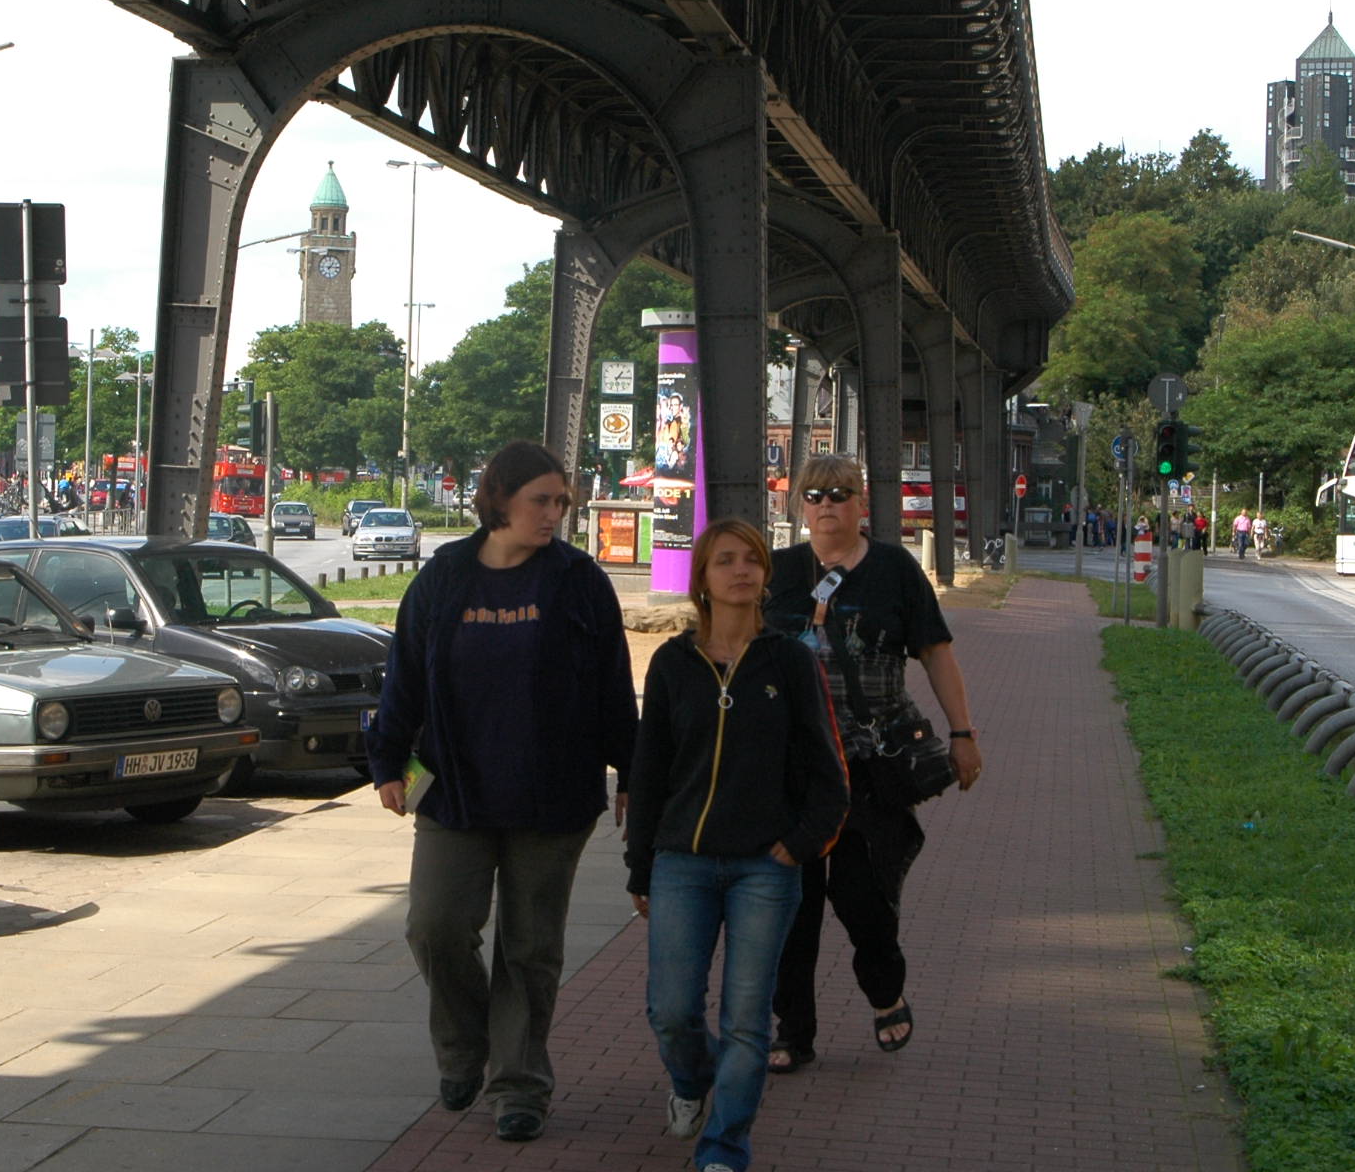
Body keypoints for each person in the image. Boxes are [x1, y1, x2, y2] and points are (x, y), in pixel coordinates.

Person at [370, 440, 638, 1144]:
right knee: (434, 926)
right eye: (539, 500)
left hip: (553, 794)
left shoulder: (577, 580)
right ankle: (465, 1048)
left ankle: (519, 1085)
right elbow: (405, 674)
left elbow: (613, 685)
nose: (553, 514)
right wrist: (387, 761)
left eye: (561, 502)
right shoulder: (445, 576)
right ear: (499, 499)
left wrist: (633, 771)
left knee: (530, 948)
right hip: (455, 789)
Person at [628, 519, 849, 1172]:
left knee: (747, 1019)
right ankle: (692, 1081)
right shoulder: (674, 663)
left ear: (765, 575)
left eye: (751, 559)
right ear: (701, 578)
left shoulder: (790, 661)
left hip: (764, 867)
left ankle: (724, 1147)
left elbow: (828, 772)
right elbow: (648, 773)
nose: (741, 570)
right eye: (725, 560)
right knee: (671, 1011)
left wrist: (799, 845)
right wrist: (641, 866)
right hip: (683, 862)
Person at [760, 455, 982, 1073]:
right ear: (799, 506)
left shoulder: (893, 570)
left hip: (870, 762)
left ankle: (885, 990)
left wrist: (962, 733)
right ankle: (793, 1030)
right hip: (794, 769)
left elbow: (935, 653)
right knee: (792, 905)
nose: (826, 505)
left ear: (862, 503)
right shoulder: (778, 572)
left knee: (864, 897)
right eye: (814, 496)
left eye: (839, 493)